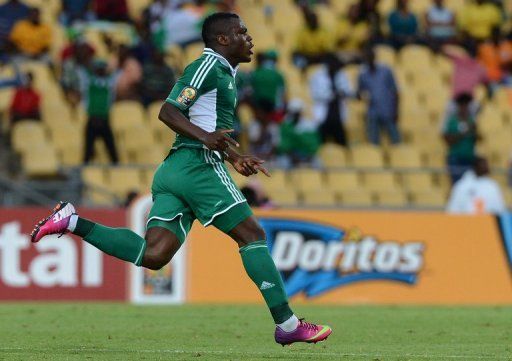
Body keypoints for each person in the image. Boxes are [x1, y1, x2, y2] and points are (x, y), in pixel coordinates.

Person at [30, 12, 332, 346]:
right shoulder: (206, 67)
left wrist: (235, 157)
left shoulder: (226, 74)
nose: (249, 38)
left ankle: (71, 222)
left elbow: (209, 128)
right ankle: (288, 324)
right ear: (222, 39)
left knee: (155, 255)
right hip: (196, 165)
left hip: (175, 170)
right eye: (241, 32)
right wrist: (207, 142)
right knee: (252, 235)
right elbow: (168, 111)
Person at [357, 47, 401, 145]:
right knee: (373, 141)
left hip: (388, 110)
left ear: (374, 57)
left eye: (370, 56)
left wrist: (396, 110)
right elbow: (359, 93)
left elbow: (395, 92)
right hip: (372, 112)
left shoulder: (386, 71)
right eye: (366, 57)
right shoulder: (363, 74)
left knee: (395, 139)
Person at [309, 53, 352, 146]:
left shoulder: (341, 75)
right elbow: (315, 95)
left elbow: (348, 91)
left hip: (337, 115)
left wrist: (344, 93)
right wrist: (332, 95)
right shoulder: (317, 76)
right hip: (324, 115)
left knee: (341, 144)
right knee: (321, 144)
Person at [82, 60, 119, 164]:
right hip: (93, 119)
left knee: (111, 148)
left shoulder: (109, 83)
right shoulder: (90, 81)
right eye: (98, 69)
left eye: (102, 69)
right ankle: (85, 167)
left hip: (103, 119)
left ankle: (117, 167)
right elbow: (85, 71)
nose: (100, 71)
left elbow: (114, 74)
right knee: (88, 150)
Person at [442, 93, 478, 184]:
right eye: (463, 104)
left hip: (469, 157)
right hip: (456, 158)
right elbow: (448, 140)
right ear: (459, 106)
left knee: (469, 185)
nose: (465, 107)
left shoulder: (471, 121)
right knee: (457, 185)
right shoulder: (452, 121)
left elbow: (477, 140)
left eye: (467, 104)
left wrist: (474, 131)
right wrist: (464, 132)